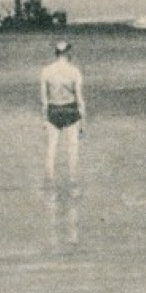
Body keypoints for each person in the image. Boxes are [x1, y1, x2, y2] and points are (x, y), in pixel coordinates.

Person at [39, 40, 86, 241]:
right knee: (72, 150)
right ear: (68, 52)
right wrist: (83, 121)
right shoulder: (74, 71)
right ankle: (73, 184)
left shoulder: (46, 71)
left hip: (53, 109)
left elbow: (44, 99)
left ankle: (50, 185)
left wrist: (44, 119)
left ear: (55, 53)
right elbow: (80, 98)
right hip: (70, 109)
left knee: (51, 149)